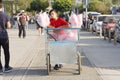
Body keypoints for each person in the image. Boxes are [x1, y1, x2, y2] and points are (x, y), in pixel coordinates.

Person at [0, 1, 13, 74]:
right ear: (2, 6)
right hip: (4, 35)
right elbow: (8, 26)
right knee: (6, 51)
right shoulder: (5, 15)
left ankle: (0, 69)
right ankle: (7, 66)